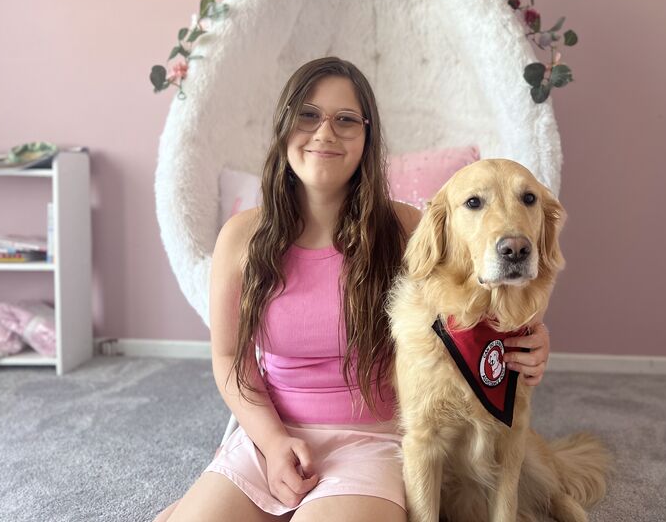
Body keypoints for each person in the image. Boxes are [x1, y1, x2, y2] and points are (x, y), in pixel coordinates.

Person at [155, 57, 551, 521]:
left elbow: (474, 302)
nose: (325, 133)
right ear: (284, 125)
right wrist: (273, 441)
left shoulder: (406, 227)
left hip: (374, 442)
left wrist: (530, 337)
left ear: (367, 137)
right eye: (307, 115)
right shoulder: (239, 237)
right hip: (270, 437)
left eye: (345, 120)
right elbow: (228, 359)